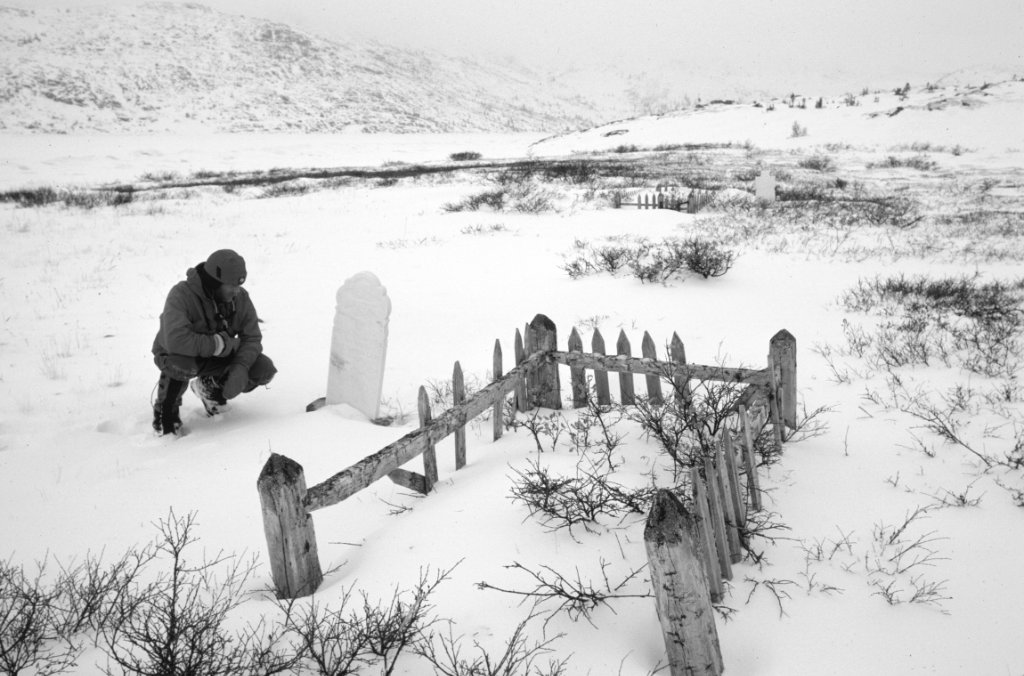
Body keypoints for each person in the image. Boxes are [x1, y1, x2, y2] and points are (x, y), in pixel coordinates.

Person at [151, 249, 276, 435]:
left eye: (239, 285)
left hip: (216, 357)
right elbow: (176, 341)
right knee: (181, 364)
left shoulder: (240, 297)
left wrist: (241, 365)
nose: (236, 291)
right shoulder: (181, 295)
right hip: (180, 356)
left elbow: (252, 337)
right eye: (231, 286)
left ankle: (209, 391)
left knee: (262, 369)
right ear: (215, 281)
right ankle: (166, 410)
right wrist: (219, 345)